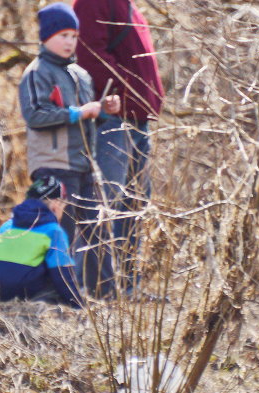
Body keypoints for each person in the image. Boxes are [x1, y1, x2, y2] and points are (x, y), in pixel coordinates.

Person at [18, 2, 121, 297]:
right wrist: (79, 112)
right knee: (59, 232)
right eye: (62, 35)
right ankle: (45, 295)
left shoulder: (80, 74)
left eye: (74, 36)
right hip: (53, 164)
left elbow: (89, 118)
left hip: (84, 164)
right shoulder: (36, 72)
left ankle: (104, 295)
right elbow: (35, 115)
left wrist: (104, 110)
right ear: (46, 37)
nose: (69, 42)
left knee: (96, 229)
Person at [74, 0, 165, 285]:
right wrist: (126, 90)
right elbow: (89, 55)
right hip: (112, 120)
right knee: (103, 203)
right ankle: (93, 287)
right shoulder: (92, 3)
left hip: (137, 121)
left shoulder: (128, 5)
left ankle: (126, 285)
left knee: (134, 204)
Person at [0, 175, 84, 307]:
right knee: (56, 269)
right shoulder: (54, 231)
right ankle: (41, 301)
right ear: (55, 204)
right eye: (63, 206)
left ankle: (6, 298)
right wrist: (77, 304)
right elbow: (62, 273)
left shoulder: (7, 225)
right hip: (29, 290)